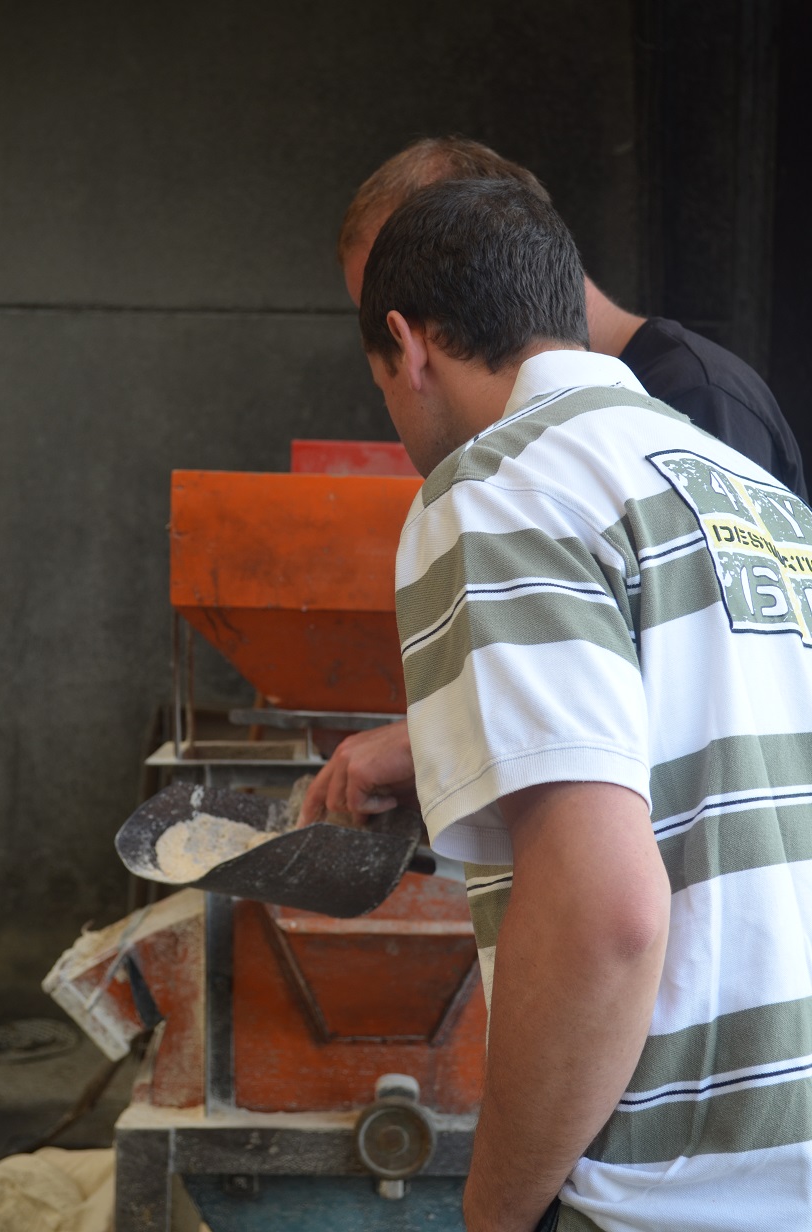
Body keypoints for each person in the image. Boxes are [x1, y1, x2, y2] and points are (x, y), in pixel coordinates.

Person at [355, 177, 812, 1231]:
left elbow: (604, 914)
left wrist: (496, 1211)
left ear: (408, 347)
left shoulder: (496, 489)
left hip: (679, 1194)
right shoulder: (744, 487)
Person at [300, 135, 807, 825]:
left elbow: (705, 720)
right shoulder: (626, 432)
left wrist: (440, 745)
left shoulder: (516, 483)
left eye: (392, 302)